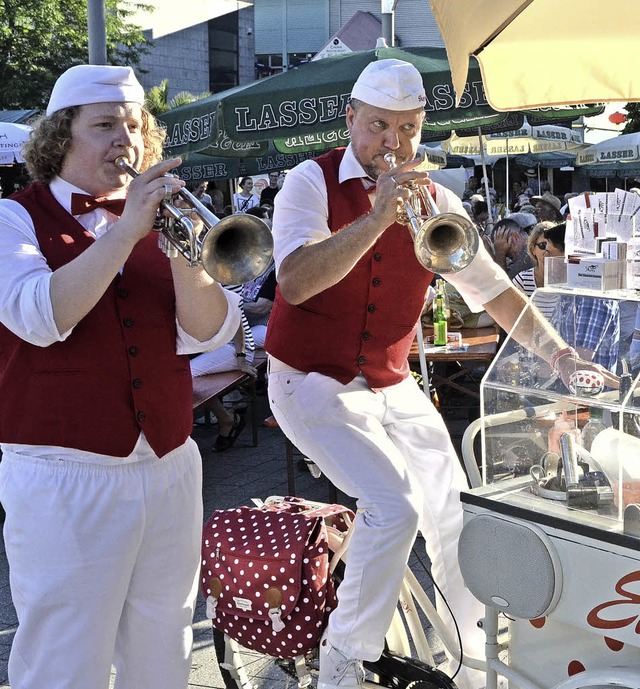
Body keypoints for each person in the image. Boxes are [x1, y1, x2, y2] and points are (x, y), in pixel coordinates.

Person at [264, 58, 610, 689]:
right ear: (350, 121)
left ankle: (473, 662)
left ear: (422, 129)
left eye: (406, 128)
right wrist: (374, 219)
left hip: (392, 380)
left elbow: (498, 293)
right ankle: (342, 663)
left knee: (454, 514)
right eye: (377, 127)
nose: (391, 143)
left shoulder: (439, 201)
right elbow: (294, 281)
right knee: (392, 505)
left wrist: (561, 356)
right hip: (309, 379)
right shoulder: (307, 184)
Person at [0, 64, 241, 689]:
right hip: (63, 475)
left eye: (133, 126)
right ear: (59, 137)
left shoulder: (157, 221)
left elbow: (212, 335)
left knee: (163, 649)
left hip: (167, 464)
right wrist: (127, 230)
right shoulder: (13, 219)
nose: (125, 141)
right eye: (104, 125)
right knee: (65, 660)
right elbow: (40, 316)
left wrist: (189, 263)